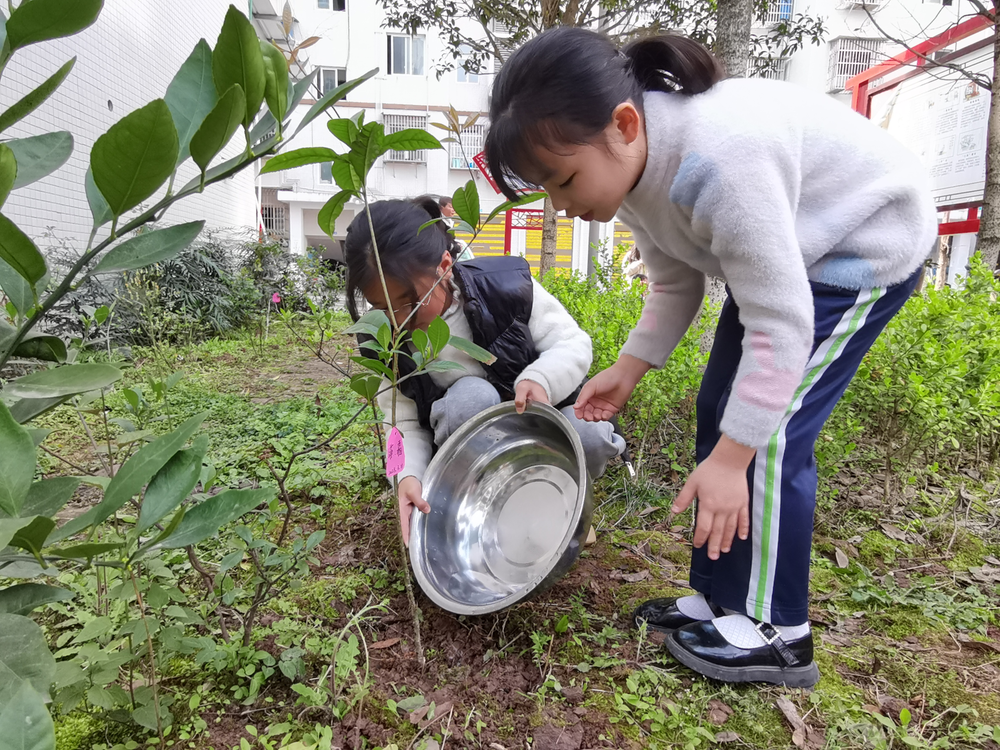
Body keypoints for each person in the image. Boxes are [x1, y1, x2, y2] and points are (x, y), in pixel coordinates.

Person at [485, 27, 935, 688]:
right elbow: (675, 282)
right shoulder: (634, 171)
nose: (561, 204)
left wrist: (734, 457)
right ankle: (726, 600)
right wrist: (629, 369)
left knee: (768, 434)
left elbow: (783, 321)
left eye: (564, 180)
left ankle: (781, 632)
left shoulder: (721, 159)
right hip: (792, 264)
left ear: (624, 123)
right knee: (721, 409)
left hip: (860, 250)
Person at [345, 198, 626, 546]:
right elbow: (397, 424)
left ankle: (565, 499)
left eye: (408, 301)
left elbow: (572, 343)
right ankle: (483, 505)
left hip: (542, 422)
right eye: (381, 307)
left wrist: (540, 379)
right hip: (470, 447)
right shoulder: (383, 338)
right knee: (472, 397)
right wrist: (405, 477)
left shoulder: (506, 286)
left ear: (444, 266)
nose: (397, 319)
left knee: (591, 433)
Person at [438, 195, 475, 261]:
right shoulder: (438, 223)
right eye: (450, 207)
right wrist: (456, 247)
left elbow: (450, 240)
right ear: (441, 207)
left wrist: (456, 244)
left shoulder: (450, 222)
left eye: (454, 208)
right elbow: (441, 244)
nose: (454, 210)